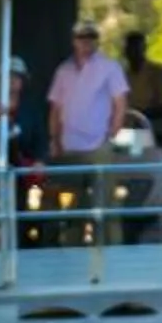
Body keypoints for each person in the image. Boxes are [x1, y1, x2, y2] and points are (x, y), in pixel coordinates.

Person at [45, 18, 129, 233]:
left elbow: (120, 102)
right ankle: (74, 255)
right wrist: (55, 140)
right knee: (74, 206)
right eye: (82, 37)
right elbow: (55, 108)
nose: (86, 41)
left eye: (91, 37)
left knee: (106, 205)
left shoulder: (110, 67)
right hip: (69, 147)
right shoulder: (63, 70)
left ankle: (111, 254)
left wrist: (112, 134)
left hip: (99, 146)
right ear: (74, 41)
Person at [121, 30, 162, 141]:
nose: (133, 52)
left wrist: (140, 115)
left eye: (137, 48)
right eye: (130, 48)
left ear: (143, 49)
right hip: (131, 133)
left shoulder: (159, 73)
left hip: (158, 132)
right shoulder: (124, 75)